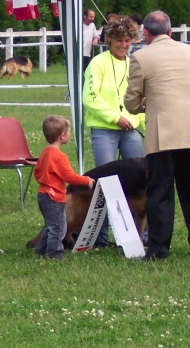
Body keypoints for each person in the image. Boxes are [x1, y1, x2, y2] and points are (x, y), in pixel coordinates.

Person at [125, 10, 190, 261]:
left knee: (160, 190)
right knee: (187, 187)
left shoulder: (140, 57)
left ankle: (159, 249)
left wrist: (144, 104)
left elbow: (131, 102)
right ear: (171, 32)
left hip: (164, 133)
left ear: (147, 33)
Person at [84, 16, 144, 167]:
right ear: (109, 38)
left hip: (131, 129)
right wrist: (115, 118)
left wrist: (146, 126)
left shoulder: (133, 64)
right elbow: (90, 97)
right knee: (107, 178)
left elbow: (139, 98)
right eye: (119, 40)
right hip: (104, 130)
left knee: (141, 174)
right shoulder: (97, 62)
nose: (124, 45)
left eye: (127, 40)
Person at [33, 115, 94, 259]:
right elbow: (70, 177)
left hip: (43, 194)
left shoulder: (45, 152)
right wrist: (87, 180)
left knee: (50, 226)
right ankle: (54, 254)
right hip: (54, 197)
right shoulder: (60, 157)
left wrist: (45, 180)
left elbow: (37, 172)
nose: (70, 135)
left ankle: (40, 250)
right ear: (62, 136)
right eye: (69, 132)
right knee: (59, 228)